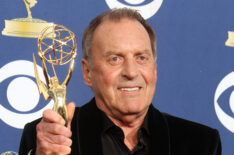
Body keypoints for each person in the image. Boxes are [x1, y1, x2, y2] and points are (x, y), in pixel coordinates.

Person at [19, 8, 222, 155]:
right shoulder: (47, 139)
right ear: (87, 72)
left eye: (141, 58)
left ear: (155, 68)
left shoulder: (201, 143)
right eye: (115, 59)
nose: (131, 72)